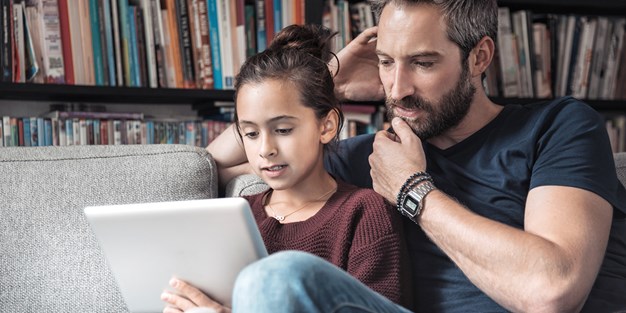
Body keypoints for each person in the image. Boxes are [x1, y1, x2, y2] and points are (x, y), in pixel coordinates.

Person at [198, 0, 626, 312]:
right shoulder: (372, 155)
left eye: (422, 63)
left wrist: (411, 190)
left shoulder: (559, 126)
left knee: (279, 276)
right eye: (386, 62)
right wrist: (319, 84)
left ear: (480, 57)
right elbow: (212, 165)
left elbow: (553, 289)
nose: (397, 88)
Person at [160, 24, 413, 313]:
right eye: (251, 134)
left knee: (274, 278)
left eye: (282, 129)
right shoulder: (236, 217)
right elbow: (194, 170)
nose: (266, 149)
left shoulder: (363, 210)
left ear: (326, 126)